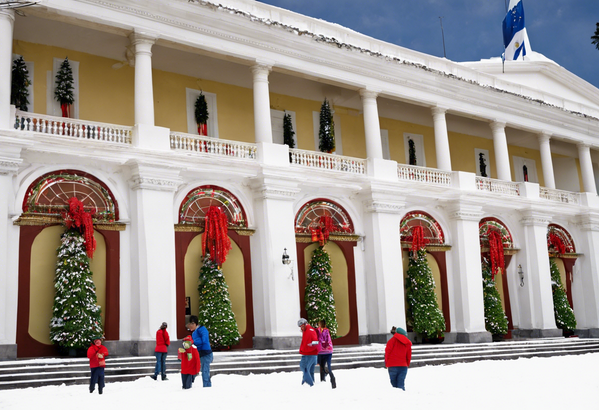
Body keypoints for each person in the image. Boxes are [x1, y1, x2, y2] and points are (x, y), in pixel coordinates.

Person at [187, 315, 213, 387]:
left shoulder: (202, 329)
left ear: (194, 323)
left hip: (206, 353)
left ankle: (207, 386)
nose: (190, 326)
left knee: (205, 370)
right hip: (200, 353)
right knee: (199, 369)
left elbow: (204, 340)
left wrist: (193, 342)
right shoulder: (194, 332)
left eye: (191, 324)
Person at [384, 326, 412, 390]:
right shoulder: (408, 343)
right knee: (401, 384)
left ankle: (396, 398)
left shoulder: (391, 341)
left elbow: (387, 353)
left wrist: (386, 363)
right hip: (403, 366)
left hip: (392, 365)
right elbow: (408, 355)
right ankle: (402, 397)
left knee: (394, 385)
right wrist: (407, 364)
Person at [298, 318, 319, 386]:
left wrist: (312, 345)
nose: (301, 328)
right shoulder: (306, 330)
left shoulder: (310, 330)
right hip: (308, 353)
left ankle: (309, 384)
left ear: (304, 324)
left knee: (304, 367)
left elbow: (316, 342)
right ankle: (308, 383)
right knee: (310, 370)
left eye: (301, 326)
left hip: (310, 354)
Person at [316, 319, 336, 389]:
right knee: (322, 366)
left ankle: (332, 379)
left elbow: (324, 341)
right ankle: (324, 377)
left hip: (326, 351)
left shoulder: (325, 331)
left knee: (326, 366)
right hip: (323, 352)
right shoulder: (318, 331)